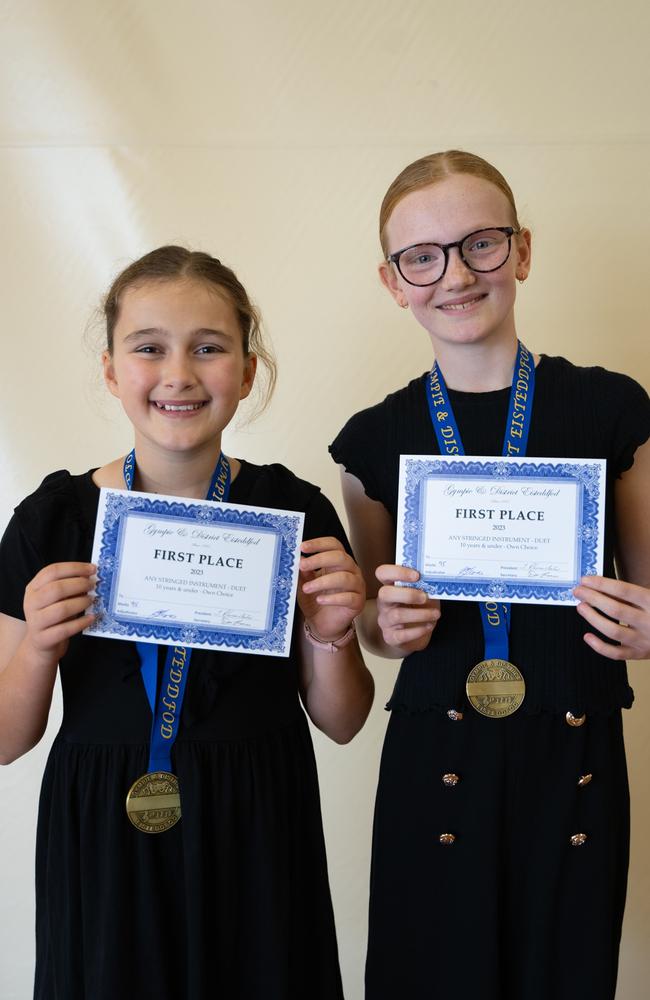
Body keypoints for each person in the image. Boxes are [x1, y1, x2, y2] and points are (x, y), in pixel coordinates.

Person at [0, 245, 374, 1000]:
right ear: (111, 369)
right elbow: (6, 739)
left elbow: (343, 721)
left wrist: (331, 631)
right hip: (103, 826)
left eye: (208, 348)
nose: (178, 373)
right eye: (149, 348)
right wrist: (39, 645)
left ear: (246, 370)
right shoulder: (52, 519)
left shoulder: (291, 512)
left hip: (259, 821)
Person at [329, 150, 650, 1000]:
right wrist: (380, 625)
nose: (456, 274)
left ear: (524, 251)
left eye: (482, 243)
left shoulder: (612, 408)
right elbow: (369, 621)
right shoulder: (372, 439)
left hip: (572, 744)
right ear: (394, 281)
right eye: (423, 256)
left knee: (563, 974)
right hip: (436, 756)